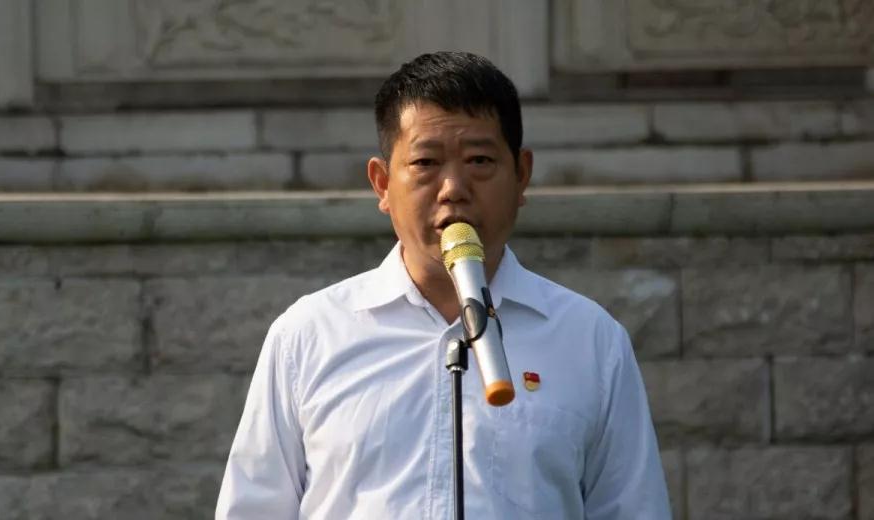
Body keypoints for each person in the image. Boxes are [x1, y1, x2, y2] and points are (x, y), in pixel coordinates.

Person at [216, 51, 671, 519]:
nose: (453, 188)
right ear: (382, 184)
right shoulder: (309, 335)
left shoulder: (590, 339)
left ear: (521, 176)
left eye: (479, 160)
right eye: (426, 162)